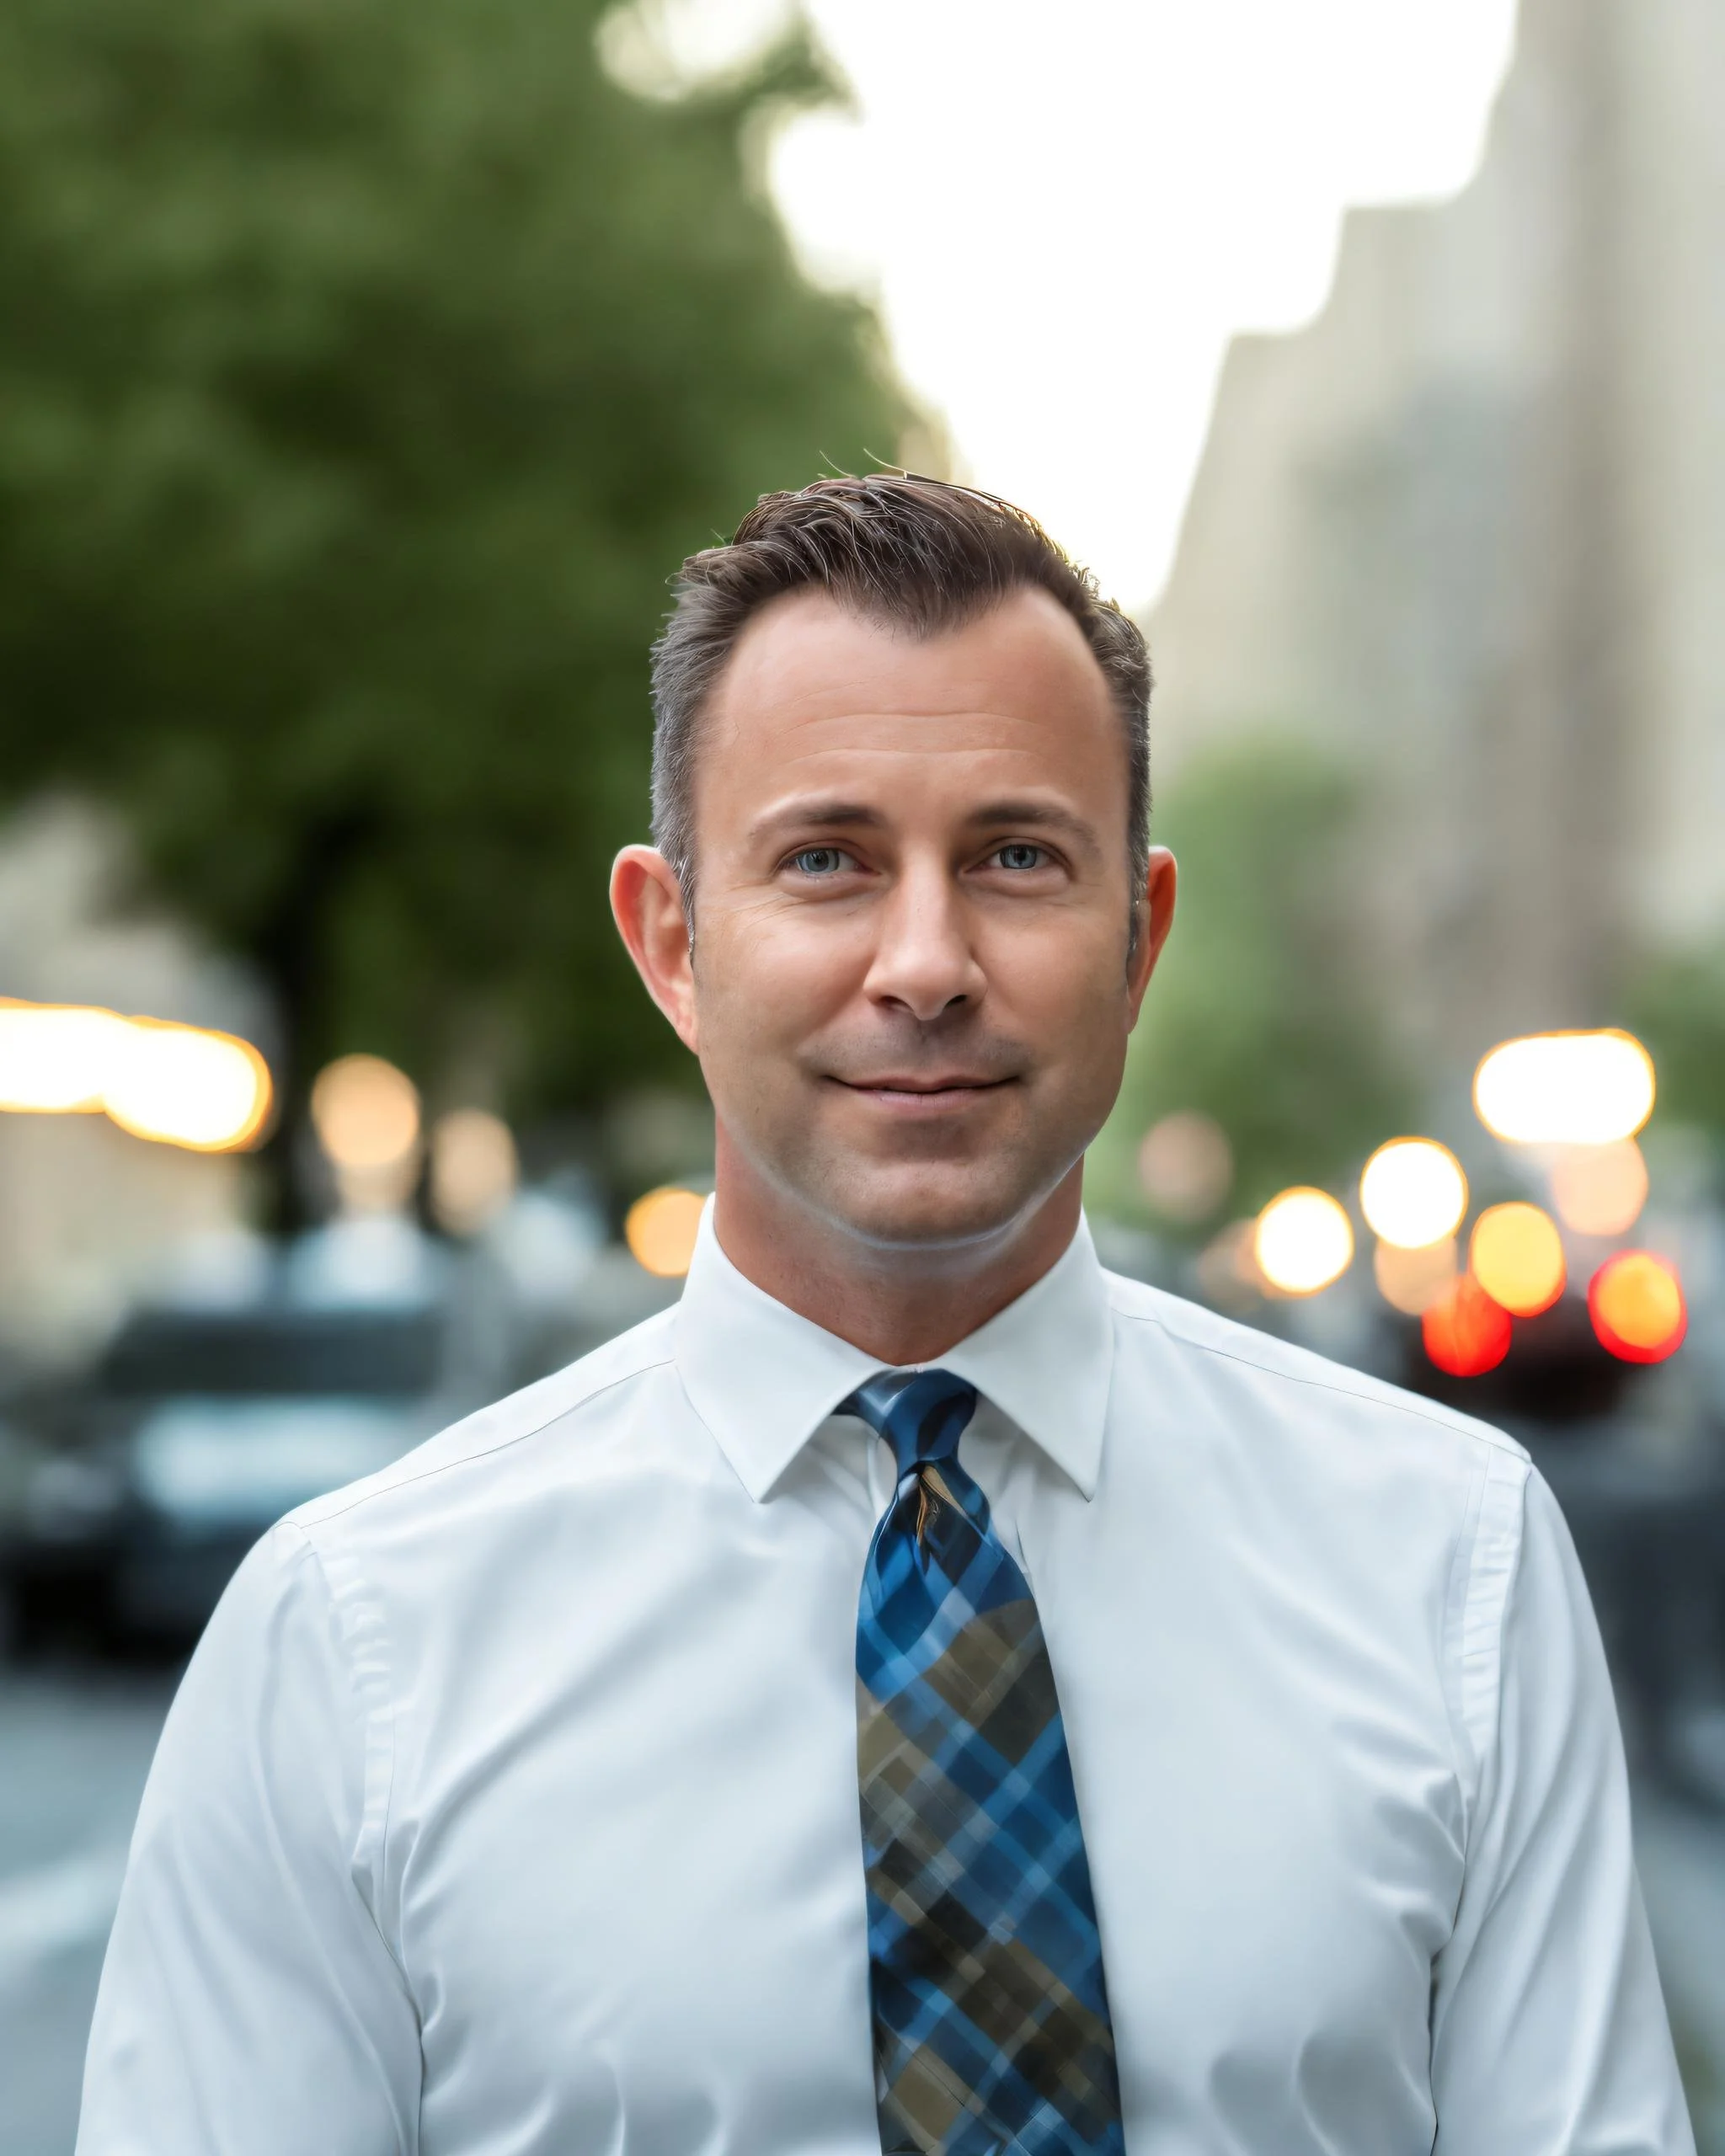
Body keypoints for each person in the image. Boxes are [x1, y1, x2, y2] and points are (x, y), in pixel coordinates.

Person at [78, 475, 1692, 2156]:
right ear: (672, 942)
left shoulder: (1452, 1563)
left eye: (1015, 857)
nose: (926, 962)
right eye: (827, 861)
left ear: (1137, 939)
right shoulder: (352, 1642)